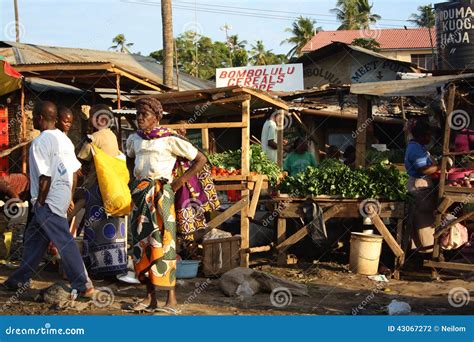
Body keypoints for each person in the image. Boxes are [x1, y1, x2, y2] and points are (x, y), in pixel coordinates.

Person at [2, 101, 94, 296]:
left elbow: (45, 177)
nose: (32, 119)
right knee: (35, 241)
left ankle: (83, 284)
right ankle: (19, 279)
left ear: (40, 118)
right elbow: (76, 172)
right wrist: (68, 194)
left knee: (64, 240)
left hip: (47, 199)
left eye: (34, 115)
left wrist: (41, 203)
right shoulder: (64, 139)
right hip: (60, 195)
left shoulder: (40, 142)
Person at [126, 97, 208, 310]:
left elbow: (200, 159)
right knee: (141, 245)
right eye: (138, 114)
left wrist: (180, 181)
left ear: (157, 117)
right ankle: (149, 298)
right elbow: (129, 158)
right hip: (140, 197)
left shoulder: (169, 138)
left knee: (165, 244)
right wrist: (131, 181)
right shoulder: (134, 139)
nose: (140, 118)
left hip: (162, 195)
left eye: (145, 114)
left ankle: (171, 299)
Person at [76, 104, 128, 278]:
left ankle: (97, 268)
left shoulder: (95, 137)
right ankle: (115, 266)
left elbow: (81, 157)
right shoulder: (112, 135)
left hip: (98, 187)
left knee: (95, 227)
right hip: (114, 187)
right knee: (112, 226)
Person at [404, 120, 439, 252]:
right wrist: (440, 166)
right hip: (419, 186)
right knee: (423, 219)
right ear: (422, 135)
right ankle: (428, 251)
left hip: (421, 185)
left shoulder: (417, 146)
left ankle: (424, 250)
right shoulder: (415, 149)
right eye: (429, 135)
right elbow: (424, 170)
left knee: (422, 218)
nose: (430, 138)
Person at [0, 174, 29, 260]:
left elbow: (15, 197)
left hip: (23, 192)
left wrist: (6, 209)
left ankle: (2, 256)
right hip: (17, 196)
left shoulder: (1, 183)